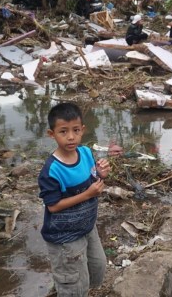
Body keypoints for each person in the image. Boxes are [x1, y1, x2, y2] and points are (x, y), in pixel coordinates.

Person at [38, 102, 111, 296]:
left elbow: (93, 177)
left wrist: (101, 174)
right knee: (73, 282)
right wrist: (87, 194)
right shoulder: (52, 170)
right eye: (63, 131)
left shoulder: (86, 153)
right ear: (51, 134)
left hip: (87, 226)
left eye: (76, 130)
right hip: (64, 236)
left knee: (98, 266)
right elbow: (53, 207)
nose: (71, 137)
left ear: (83, 130)